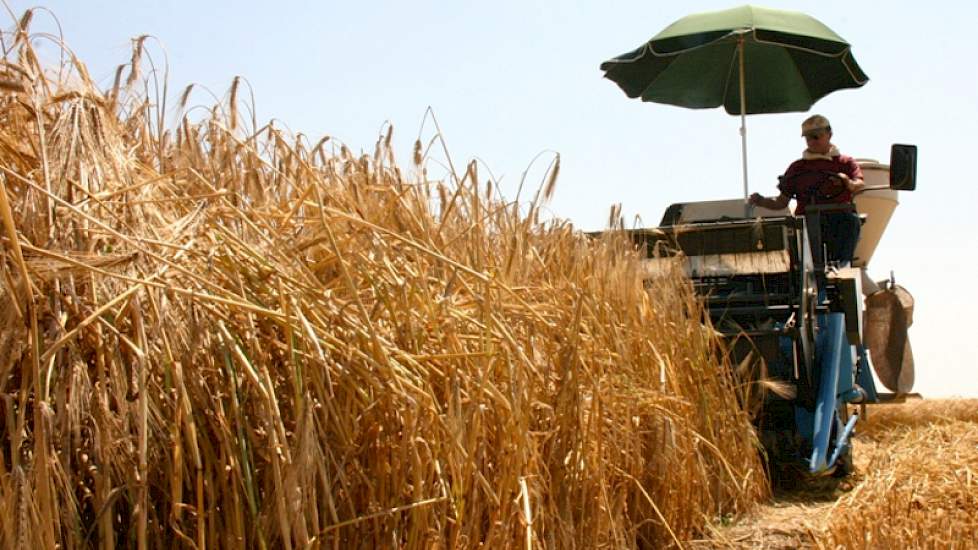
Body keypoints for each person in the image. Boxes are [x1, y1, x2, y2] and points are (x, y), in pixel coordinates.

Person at [749, 115, 865, 264]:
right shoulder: (797, 168)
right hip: (807, 223)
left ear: (829, 134)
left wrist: (846, 182)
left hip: (839, 218)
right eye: (808, 138)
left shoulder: (845, 162)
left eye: (816, 136)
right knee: (797, 229)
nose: (812, 141)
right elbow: (781, 202)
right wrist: (761, 200)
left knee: (851, 221)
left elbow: (860, 184)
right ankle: (806, 270)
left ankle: (842, 266)